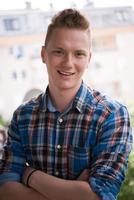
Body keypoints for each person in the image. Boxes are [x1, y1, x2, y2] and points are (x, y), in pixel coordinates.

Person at [0, 8, 132, 200]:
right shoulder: (22, 117)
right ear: (44, 54)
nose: (68, 63)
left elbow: (99, 196)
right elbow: (5, 191)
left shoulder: (112, 115)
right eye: (59, 52)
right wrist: (74, 192)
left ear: (88, 59)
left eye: (78, 54)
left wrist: (30, 176)